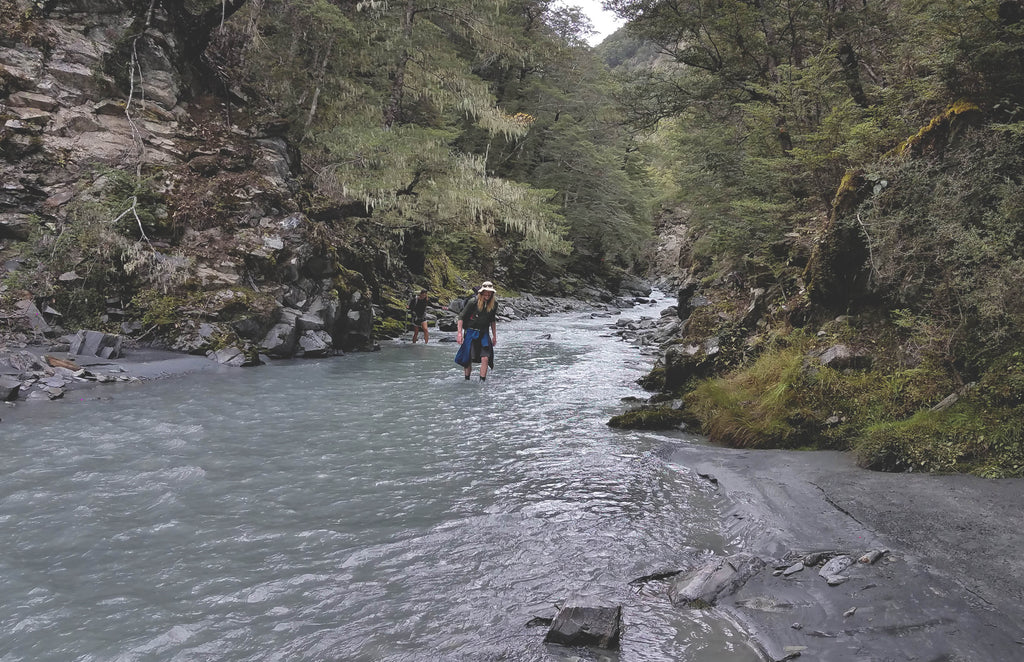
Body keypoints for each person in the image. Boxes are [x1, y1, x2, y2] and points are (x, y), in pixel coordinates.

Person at [455, 281, 497, 380]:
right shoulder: (473, 302)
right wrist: (459, 334)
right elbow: (461, 317)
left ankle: (482, 380)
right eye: (486, 292)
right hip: (471, 332)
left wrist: (494, 336)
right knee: (468, 358)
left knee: (485, 357)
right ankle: (467, 379)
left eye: (489, 292)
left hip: (484, 333)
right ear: (481, 292)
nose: (487, 294)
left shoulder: (494, 304)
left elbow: (492, 320)